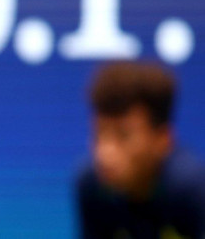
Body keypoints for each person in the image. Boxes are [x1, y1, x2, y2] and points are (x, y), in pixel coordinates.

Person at [76, 61, 205, 239]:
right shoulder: (91, 185)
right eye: (99, 133)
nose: (105, 153)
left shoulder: (193, 190)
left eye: (124, 136)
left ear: (162, 139)